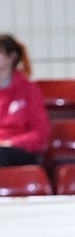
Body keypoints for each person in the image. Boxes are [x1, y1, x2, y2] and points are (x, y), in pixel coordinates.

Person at [0, 34, 49, 165]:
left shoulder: (28, 90)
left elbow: (40, 132)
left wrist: (10, 143)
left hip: (16, 150)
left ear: (12, 56)